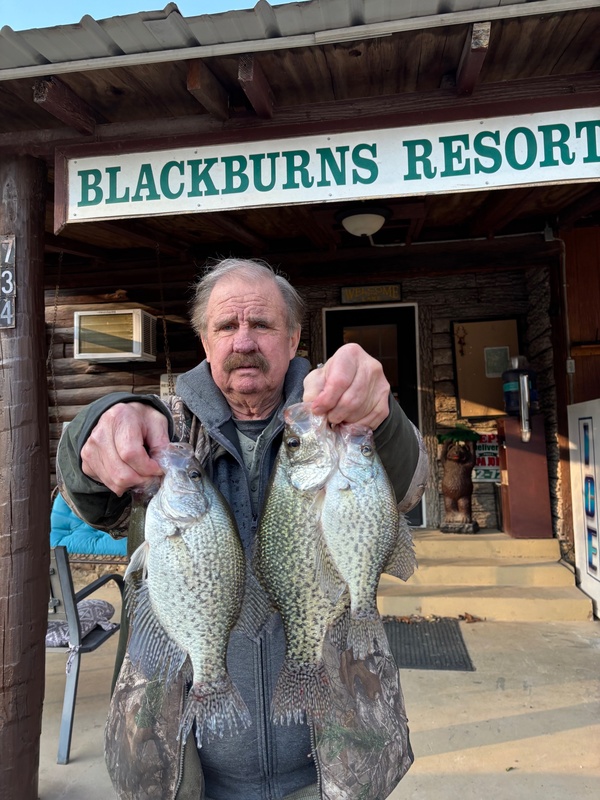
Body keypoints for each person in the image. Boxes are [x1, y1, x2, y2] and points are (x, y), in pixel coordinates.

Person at [57, 258, 428, 800]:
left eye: (263, 325)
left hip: (341, 758)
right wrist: (99, 422)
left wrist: (383, 415)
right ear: (205, 340)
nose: (244, 340)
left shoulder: (338, 424)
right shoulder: (164, 437)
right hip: (176, 768)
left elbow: (411, 483)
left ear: (295, 336)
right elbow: (87, 498)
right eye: (227, 326)